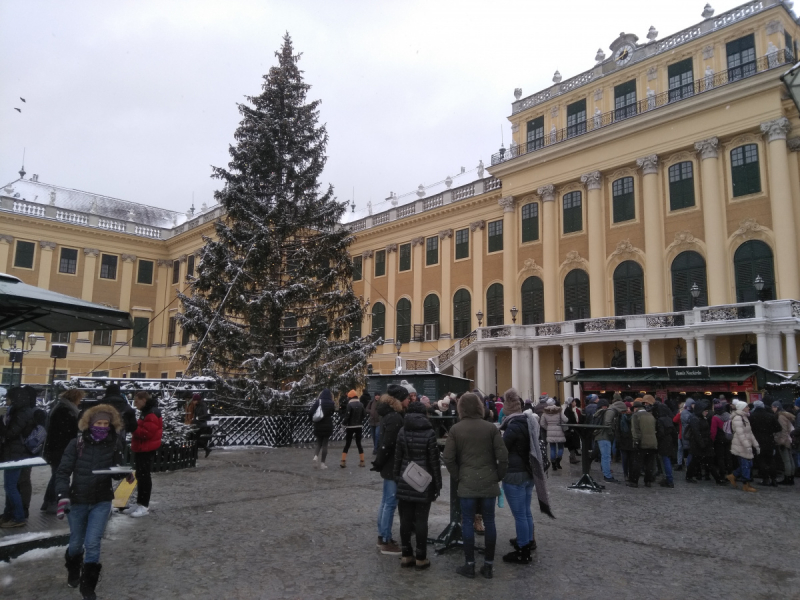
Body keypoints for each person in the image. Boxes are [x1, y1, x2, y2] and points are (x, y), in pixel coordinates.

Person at [56, 404, 128, 600]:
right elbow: (62, 472)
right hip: (78, 500)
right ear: (89, 423)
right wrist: (63, 495)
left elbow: (116, 471)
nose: (102, 427)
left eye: (106, 423)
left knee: (93, 543)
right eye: (98, 423)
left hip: (101, 500)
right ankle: (73, 568)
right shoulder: (76, 443)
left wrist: (124, 473)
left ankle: (88, 587)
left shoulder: (114, 443)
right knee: (76, 543)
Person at [443, 392, 508, 580]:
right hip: (488, 480)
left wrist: (458, 475)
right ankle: (488, 565)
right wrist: (498, 475)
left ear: (461, 408)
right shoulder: (490, 428)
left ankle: (469, 564)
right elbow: (503, 457)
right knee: (490, 521)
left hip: (467, 482)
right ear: (480, 407)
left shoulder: (456, 429)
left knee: (468, 522)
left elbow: (448, 457)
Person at [499, 388, 552, 564]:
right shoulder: (528, 421)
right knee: (526, 511)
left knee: (520, 514)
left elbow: (503, 449)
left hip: (515, 474)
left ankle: (523, 550)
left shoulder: (513, 426)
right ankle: (528, 540)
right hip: (529, 472)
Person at [392, 401, 441, 570]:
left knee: (405, 519)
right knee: (421, 520)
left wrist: (397, 477)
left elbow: (397, 458)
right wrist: (437, 484)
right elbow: (434, 462)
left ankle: (406, 555)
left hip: (406, 477)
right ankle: (421, 557)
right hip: (423, 480)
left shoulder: (402, 431)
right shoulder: (429, 432)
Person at [371, 384, 409, 555]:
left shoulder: (389, 415)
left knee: (386, 501)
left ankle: (383, 536)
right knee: (390, 503)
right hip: (393, 465)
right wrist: (380, 461)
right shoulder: (395, 417)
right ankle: (385, 539)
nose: (409, 400)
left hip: (388, 464)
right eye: (407, 397)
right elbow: (388, 443)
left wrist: (380, 461)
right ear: (399, 400)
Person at [42, 388, 85, 513]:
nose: (80, 402)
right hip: (59, 449)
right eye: (79, 399)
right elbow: (66, 432)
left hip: (55, 448)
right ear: (74, 398)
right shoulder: (65, 410)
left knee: (57, 474)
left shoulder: (61, 408)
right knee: (58, 475)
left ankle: (48, 501)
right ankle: (51, 502)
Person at [124, 391, 163, 518]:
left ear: (143, 400)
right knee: (141, 475)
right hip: (143, 448)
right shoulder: (147, 412)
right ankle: (140, 502)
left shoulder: (151, 413)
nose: (135, 404)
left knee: (144, 476)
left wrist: (134, 427)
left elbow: (147, 434)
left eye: (136, 401)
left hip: (146, 448)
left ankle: (144, 505)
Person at [0, 386, 35, 528]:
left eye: (8, 399)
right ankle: (9, 514)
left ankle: (18, 517)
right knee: (10, 486)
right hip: (14, 453)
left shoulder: (21, 413)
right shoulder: (20, 410)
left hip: (16, 454)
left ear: (15, 399)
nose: (6, 402)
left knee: (10, 486)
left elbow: (10, 433)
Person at [685, 400, 725, 485]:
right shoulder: (695, 419)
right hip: (700, 444)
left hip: (704, 443)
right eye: (705, 411)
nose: (707, 412)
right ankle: (717, 479)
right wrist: (702, 444)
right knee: (700, 461)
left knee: (705, 462)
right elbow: (697, 433)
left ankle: (717, 479)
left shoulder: (701, 418)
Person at [727, 400, 759, 492]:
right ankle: (745, 484)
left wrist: (755, 444)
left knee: (748, 464)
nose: (749, 408)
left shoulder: (744, 417)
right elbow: (741, 434)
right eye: (747, 407)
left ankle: (733, 476)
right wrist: (747, 446)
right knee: (746, 465)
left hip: (744, 444)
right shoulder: (738, 418)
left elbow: (749, 433)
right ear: (742, 408)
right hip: (740, 445)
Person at [749, 398, 781, 486]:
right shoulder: (770, 415)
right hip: (769, 440)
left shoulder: (752, 416)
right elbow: (779, 428)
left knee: (761, 460)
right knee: (771, 459)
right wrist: (770, 431)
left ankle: (765, 479)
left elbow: (749, 429)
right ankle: (774, 479)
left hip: (757, 440)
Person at [628, 399, 658, 487]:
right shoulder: (651, 415)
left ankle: (634, 481)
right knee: (649, 464)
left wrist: (636, 441)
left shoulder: (636, 416)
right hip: (653, 442)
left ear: (636, 408)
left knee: (637, 463)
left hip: (642, 442)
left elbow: (635, 430)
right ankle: (648, 481)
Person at [309, 388, 335, 470]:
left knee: (318, 443)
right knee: (325, 444)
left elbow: (310, 412)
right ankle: (323, 463)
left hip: (318, 424)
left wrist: (312, 420)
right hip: (327, 425)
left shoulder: (318, 402)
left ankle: (315, 457)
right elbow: (332, 412)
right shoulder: (331, 403)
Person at [653, 401, 678, 488]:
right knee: (667, 460)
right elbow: (674, 433)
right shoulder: (669, 419)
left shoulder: (660, 420)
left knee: (664, 461)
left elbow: (660, 433)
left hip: (663, 442)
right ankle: (669, 478)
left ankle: (668, 479)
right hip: (669, 442)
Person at [341, 390, 365, 468]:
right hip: (359, 426)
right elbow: (364, 414)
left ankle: (343, 461)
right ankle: (362, 461)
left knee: (347, 444)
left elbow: (347, 416)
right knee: (359, 444)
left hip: (350, 427)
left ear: (350, 397)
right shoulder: (361, 404)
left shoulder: (349, 405)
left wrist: (343, 424)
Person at [773, 400, 795, 485]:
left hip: (785, 440)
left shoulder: (780, 416)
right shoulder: (786, 415)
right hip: (789, 439)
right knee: (790, 459)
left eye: (773, 407)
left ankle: (787, 477)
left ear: (776, 407)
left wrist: (781, 441)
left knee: (787, 460)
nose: (773, 409)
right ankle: (791, 477)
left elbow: (783, 430)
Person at [540, 398, 566, 469]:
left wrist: (547, 428)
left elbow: (542, 423)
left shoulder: (545, 412)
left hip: (550, 431)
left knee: (552, 448)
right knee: (560, 447)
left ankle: (553, 463)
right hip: (559, 430)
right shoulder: (559, 410)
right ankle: (558, 460)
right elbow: (565, 419)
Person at [186, 393, 213, 458]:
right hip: (198, 424)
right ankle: (205, 449)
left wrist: (198, 418)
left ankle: (195, 454)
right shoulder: (197, 405)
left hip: (201, 425)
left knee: (195, 439)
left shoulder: (202, 405)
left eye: (194, 400)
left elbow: (205, 415)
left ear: (197, 400)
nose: (193, 401)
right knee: (194, 439)